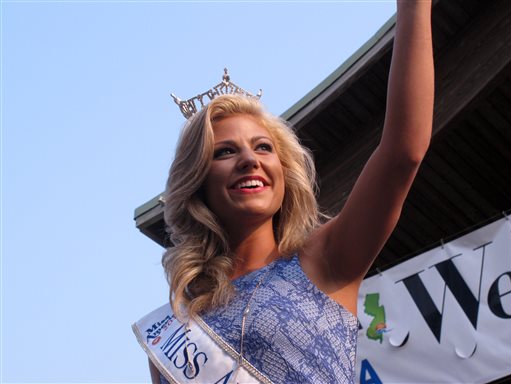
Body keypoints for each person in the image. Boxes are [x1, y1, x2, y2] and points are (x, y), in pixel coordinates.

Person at [133, 1, 434, 383]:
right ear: (197, 181)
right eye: (225, 152)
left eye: (263, 147)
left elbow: (402, 153)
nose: (249, 160)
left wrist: (413, 7)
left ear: (282, 172)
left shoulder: (323, 259)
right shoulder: (176, 332)